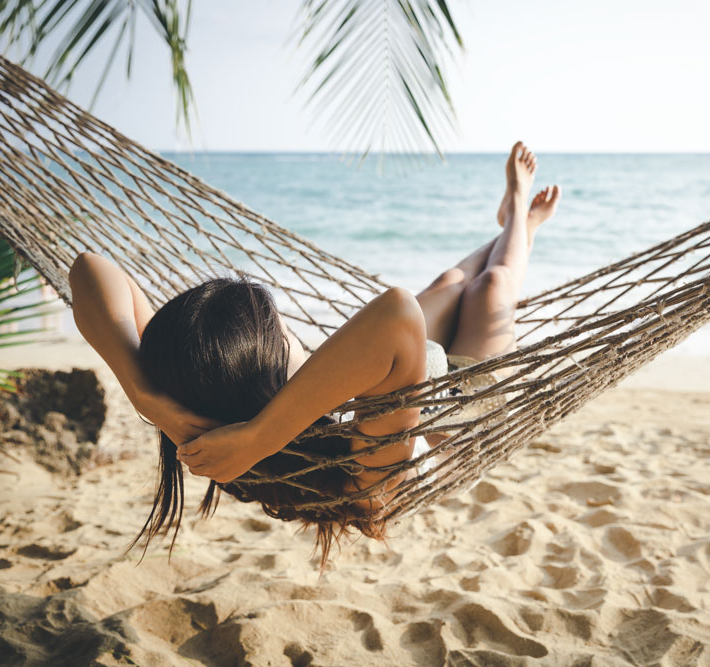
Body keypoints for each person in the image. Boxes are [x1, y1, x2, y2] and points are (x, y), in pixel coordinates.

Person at [68, 142, 561, 564]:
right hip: (451, 402)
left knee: (451, 282)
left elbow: (89, 268)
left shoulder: (202, 405)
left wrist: (146, 399)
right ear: (269, 381)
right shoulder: (359, 464)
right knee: (491, 286)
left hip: (395, 365)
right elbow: (397, 314)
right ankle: (521, 220)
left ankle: (505, 231)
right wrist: (260, 437)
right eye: (286, 337)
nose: (294, 333)